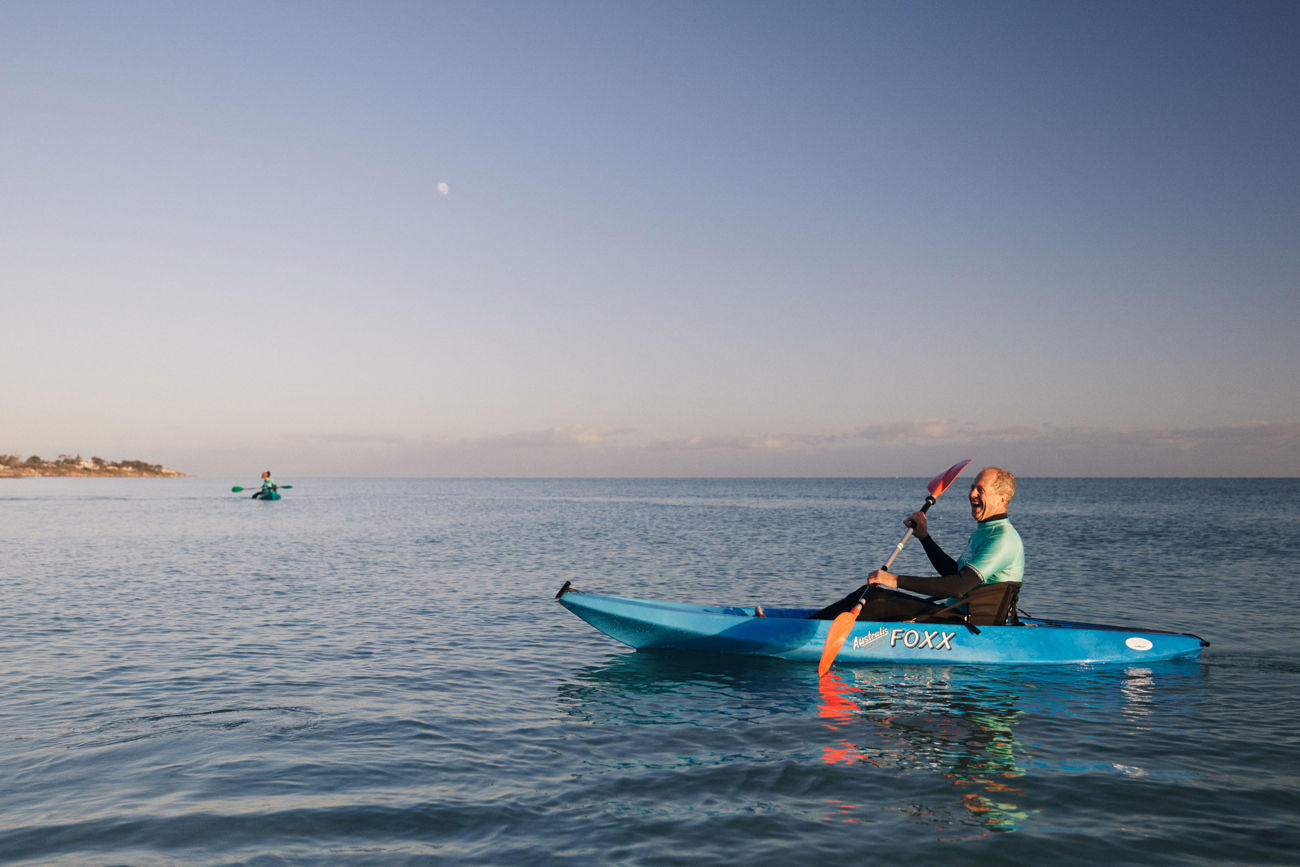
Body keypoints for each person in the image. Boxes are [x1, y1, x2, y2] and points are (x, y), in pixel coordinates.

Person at [812, 467, 1024, 623]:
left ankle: (809, 631)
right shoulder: (985, 532)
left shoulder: (1003, 539)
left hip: (970, 625)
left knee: (877, 600)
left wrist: (894, 580)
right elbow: (953, 573)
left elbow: (958, 586)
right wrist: (924, 537)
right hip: (953, 615)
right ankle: (812, 624)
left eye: (980, 490)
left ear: (1003, 499)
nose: (971, 494)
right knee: (865, 594)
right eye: (972, 488)